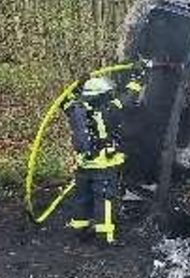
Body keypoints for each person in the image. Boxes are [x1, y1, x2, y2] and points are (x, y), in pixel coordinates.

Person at [63, 64, 148, 243]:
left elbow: (65, 101)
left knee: (82, 197)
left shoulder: (76, 110)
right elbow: (128, 99)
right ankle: (106, 236)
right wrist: (138, 79)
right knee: (105, 199)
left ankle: (79, 228)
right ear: (102, 96)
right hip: (103, 166)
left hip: (83, 164)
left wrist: (79, 86)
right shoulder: (107, 112)